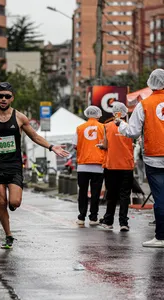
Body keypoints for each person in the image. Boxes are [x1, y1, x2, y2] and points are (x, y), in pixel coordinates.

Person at [0, 82, 69, 249]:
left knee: (14, 202)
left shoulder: (20, 118)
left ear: (12, 98)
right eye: (0, 96)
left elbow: (35, 137)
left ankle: (12, 206)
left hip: (14, 165)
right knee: (1, 202)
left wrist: (52, 147)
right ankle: (8, 236)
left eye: (7, 96)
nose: (3, 99)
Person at [115, 69, 164, 247]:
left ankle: (160, 237)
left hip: (154, 158)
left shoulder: (144, 105)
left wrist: (121, 125)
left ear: (151, 83)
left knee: (160, 199)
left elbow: (133, 132)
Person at [97, 102, 134, 232]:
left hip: (111, 165)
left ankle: (108, 221)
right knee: (124, 195)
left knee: (111, 194)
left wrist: (101, 146)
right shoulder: (130, 127)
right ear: (124, 113)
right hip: (127, 165)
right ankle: (123, 222)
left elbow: (105, 145)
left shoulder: (106, 126)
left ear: (113, 113)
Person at [72, 106, 105, 226]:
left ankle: (81, 217)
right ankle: (93, 217)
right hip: (98, 165)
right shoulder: (103, 127)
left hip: (83, 165)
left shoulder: (80, 128)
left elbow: (75, 145)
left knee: (83, 192)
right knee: (96, 193)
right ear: (98, 115)